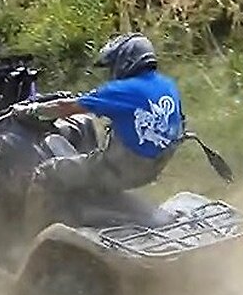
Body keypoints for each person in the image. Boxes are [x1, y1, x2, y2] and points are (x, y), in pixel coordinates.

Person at [10, 33, 184, 230]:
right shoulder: (167, 85)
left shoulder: (123, 90)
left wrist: (27, 110)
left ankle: (31, 243)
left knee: (46, 174)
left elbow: (67, 107)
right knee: (88, 165)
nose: (111, 71)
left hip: (119, 169)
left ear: (125, 60)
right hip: (152, 167)